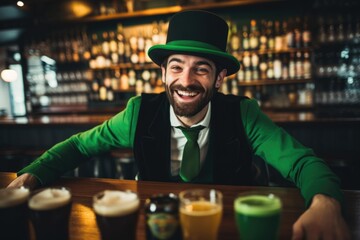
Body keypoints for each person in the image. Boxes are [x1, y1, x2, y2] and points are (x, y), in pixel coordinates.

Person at [8, 10, 350, 239]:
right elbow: (80, 145)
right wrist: (32, 174)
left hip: (226, 226)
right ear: (162, 72)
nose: (185, 81)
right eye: (176, 66)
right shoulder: (138, 112)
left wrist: (325, 203)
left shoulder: (244, 114)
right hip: (155, 224)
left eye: (201, 68)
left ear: (219, 79)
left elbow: (303, 162)